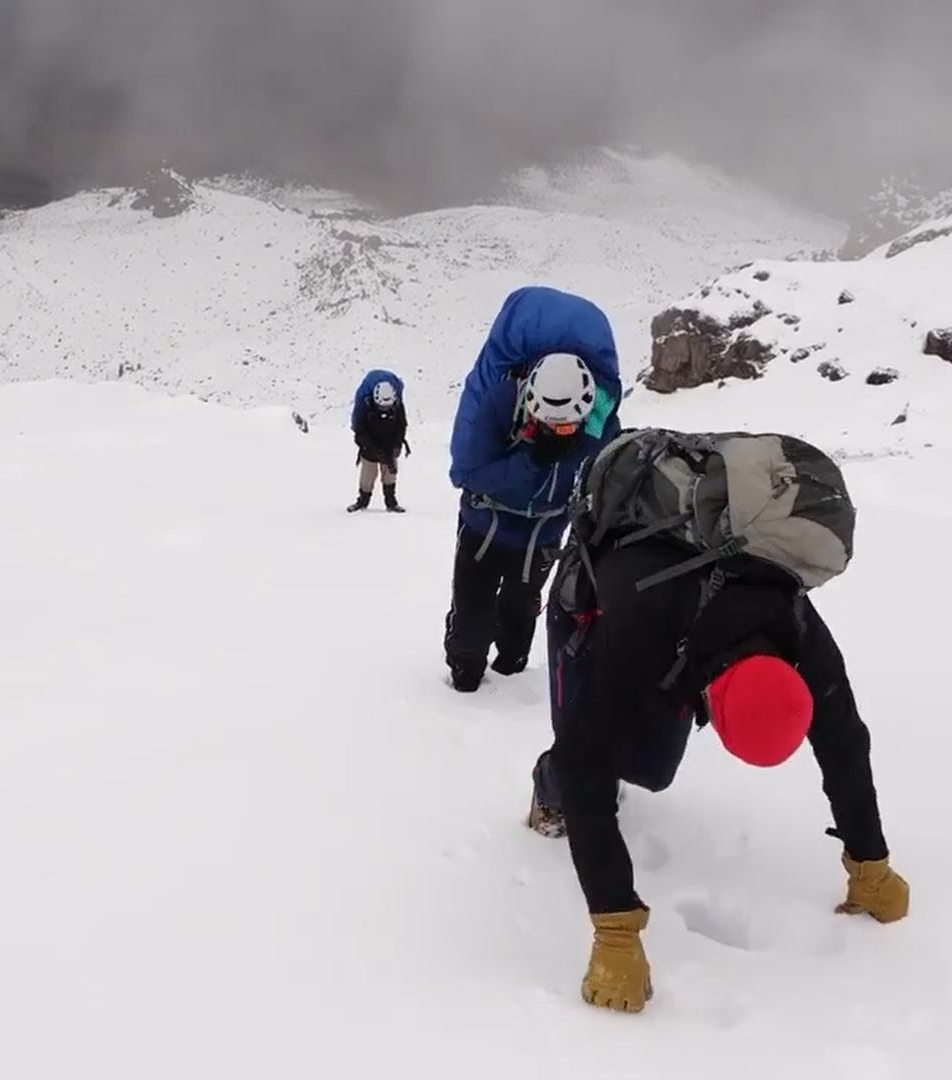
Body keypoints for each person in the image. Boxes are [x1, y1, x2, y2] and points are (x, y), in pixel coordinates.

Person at [527, 427, 909, 1014]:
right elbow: (587, 761)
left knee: (652, 769)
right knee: (594, 753)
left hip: (692, 626)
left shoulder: (800, 634)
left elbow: (845, 741)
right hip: (592, 602)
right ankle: (541, 790)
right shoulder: (640, 625)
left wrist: (870, 860)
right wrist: (615, 928)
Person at [444, 286, 622, 692]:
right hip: (484, 528)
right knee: (472, 612)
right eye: (549, 423)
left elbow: (604, 472)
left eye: (567, 426)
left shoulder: (598, 418)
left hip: (543, 536)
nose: (558, 432)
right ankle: (464, 672)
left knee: (521, 611)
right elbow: (466, 472)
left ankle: (512, 669)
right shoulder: (498, 401)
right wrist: (532, 460)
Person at [348, 369, 410, 513]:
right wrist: (372, 447)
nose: (385, 409)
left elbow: (402, 425)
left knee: (390, 471)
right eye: (382, 406)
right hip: (369, 443)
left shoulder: (398, 404)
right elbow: (359, 432)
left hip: (390, 441)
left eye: (388, 407)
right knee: (368, 472)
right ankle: (362, 501)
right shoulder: (364, 404)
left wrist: (397, 444)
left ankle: (391, 502)